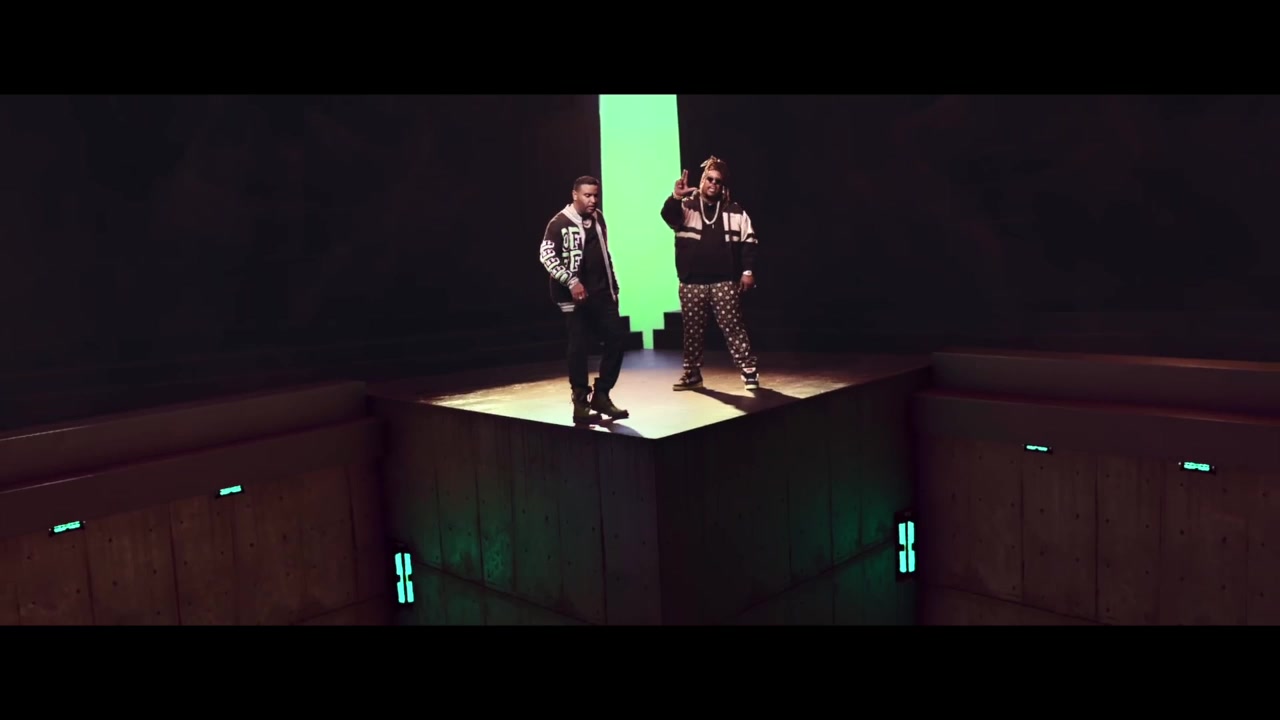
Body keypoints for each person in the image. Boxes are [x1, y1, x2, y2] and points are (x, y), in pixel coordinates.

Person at [659, 156, 760, 391]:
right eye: (710, 179)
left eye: (718, 181)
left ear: (723, 186)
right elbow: (669, 216)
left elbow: (749, 242)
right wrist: (675, 196)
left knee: (733, 326)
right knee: (692, 331)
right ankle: (692, 374)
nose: (713, 184)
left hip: (724, 280)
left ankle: (748, 370)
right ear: (703, 181)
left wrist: (747, 270)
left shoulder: (734, 211)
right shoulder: (687, 206)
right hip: (691, 281)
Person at [538, 175, 630, 424]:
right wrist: (571, 281)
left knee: (617, 339)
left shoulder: (598, 218)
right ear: (575, 195)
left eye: (595, 195)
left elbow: (604, 254)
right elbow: (546, 256)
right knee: (578, 347)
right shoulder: (559, 222)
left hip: (601, 293)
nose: (592, 200)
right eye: (587, 195)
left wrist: (613, 287)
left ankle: (602, 395)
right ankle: (580, 402)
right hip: (573, 296)